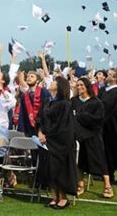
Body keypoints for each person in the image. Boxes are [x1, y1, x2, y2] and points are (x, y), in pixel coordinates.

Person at [38, 76, 78, 209]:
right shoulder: (47, 101)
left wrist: (48, 136)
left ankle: (63, 198)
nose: (51, 83)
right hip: (47, 140)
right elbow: (41, 119)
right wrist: (40, 132)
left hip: (60, 143)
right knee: (50, 169)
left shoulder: (65, 104)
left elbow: (63, 127)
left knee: (59, 169)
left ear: (60, 86)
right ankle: (54, 196)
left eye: (54, 81)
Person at [71, 77, 113, 199]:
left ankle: (107, 186)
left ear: (87, 86)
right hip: (78, 136)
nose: (79, 87)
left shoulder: (96, 102)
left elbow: (98, 120)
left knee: (100, 160)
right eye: (77, 85)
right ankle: (80, 185)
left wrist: (81, 116)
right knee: (80, 161)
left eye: (82, 85)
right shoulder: (73, 101)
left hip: (92, 135)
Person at [16, 70, 50, 137]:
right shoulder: (24, 96)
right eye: (28, 76)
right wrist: (21, 129)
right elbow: (22, 113)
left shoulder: (44, 92)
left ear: (37, 81)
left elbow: (46, 110)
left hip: (42, 127)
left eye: (32, 76)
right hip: (28, 128)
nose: (29, 78)